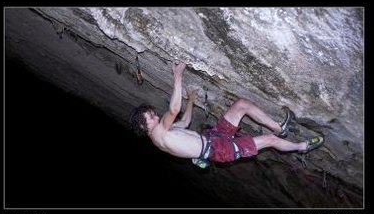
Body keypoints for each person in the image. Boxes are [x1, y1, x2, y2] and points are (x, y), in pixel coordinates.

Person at [130, 61, 324, 168]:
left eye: (153, 113)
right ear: (142, 125)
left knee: (241, 105)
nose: (156, 116)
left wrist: (190, 98)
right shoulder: (157, 135)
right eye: (151, 116)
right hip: (219, 151)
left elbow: (186, 120)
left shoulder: (165, 130)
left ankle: (279, 128)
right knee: (268, 140)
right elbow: (173, 110)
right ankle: (302, 147)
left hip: (213, 137)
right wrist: (178, 77)